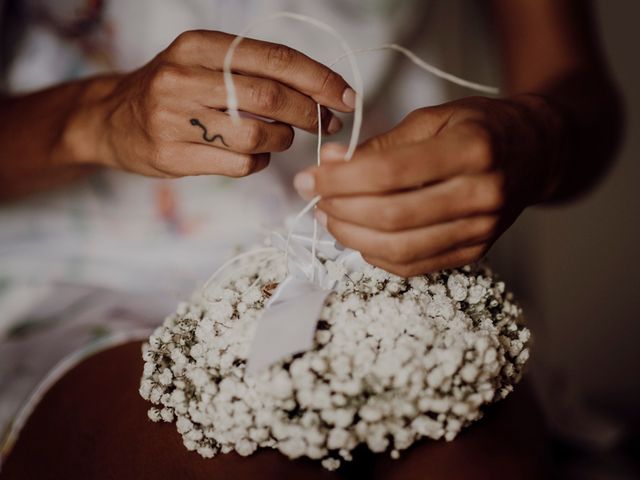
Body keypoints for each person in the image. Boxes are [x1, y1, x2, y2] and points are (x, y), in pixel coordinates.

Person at [0, 0, 623, 474]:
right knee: (210, 457)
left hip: (391, 259)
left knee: (463, 456)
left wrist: (538, 137)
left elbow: (574, 83)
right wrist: (93, 117)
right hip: (84, 274)